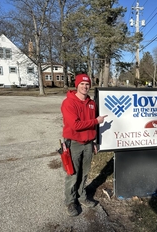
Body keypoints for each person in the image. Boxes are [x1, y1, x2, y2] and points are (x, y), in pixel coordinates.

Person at [61, 73, 107, 216]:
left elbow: (91, 126)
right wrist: (96, 121)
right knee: (73, 174)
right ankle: (70, 201)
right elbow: (75, 125)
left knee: (84, 173)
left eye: (87, 84)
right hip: (74, 143)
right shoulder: (69, 103)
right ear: (77, 85)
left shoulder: (92, 103)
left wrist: (93, 141)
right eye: (82, 84)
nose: (85, 86)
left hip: (88, 143)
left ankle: (81, 196)